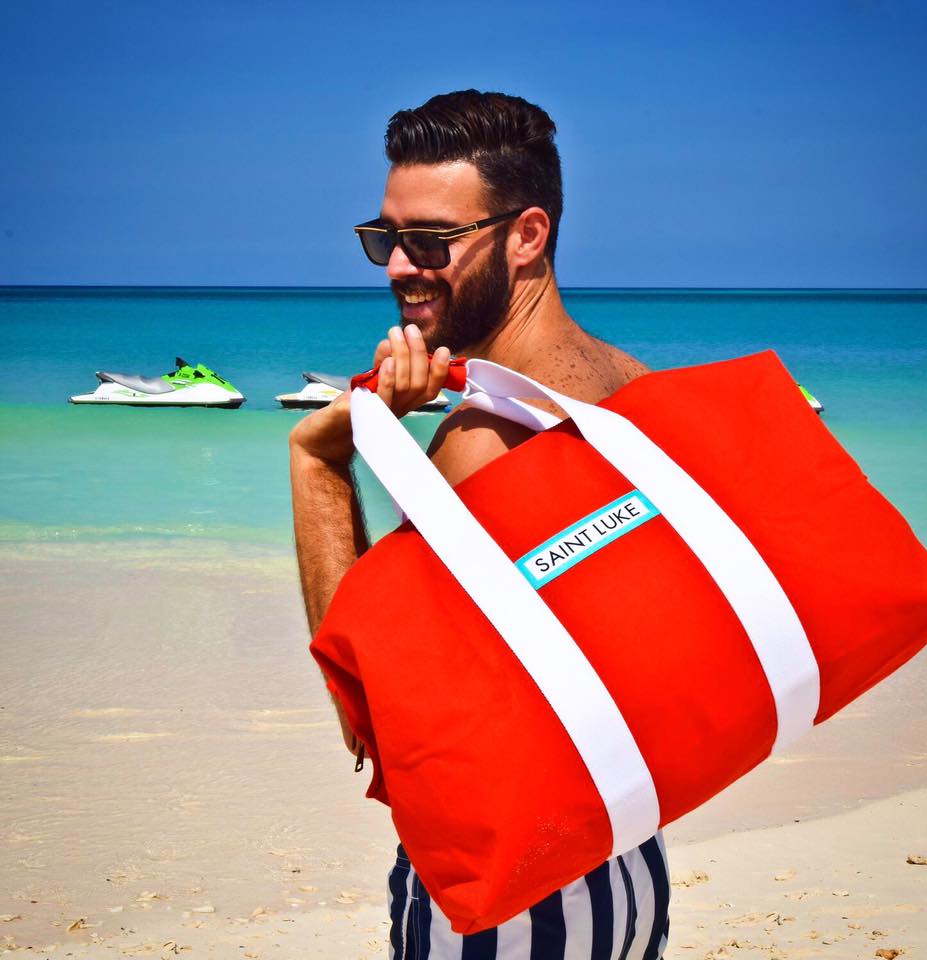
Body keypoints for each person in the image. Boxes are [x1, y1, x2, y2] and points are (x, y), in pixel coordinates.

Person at [289, 90, 670, 959]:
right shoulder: (631, 385)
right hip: (626, 863)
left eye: (429, 241)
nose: (396, 267)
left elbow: (383, 717)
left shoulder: (483, 438)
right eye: (384, 240)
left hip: (514, 891)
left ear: (526, 235)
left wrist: (321, 460)